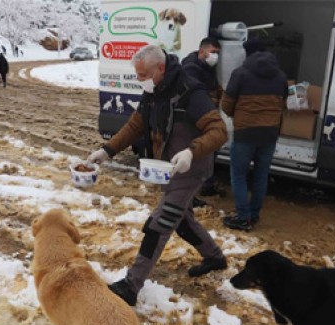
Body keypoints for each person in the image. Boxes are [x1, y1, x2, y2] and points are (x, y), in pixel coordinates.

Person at [86, 45, 228, 306]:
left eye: (143, 75)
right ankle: (215, 257)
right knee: (182, 220)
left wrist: (190, 152)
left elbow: (219, 130)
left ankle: (131, 285)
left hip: (190, 168)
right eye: (138, 75)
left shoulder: (190, 92)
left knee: (159, 224)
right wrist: (107, 150)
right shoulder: (154, 91)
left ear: (160, 68)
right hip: (168, 168)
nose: (141, 81)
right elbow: (135, 125)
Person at [220, 38, 287, 231]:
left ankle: (243, 218)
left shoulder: (240, 74)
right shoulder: (281, 76)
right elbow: (283, 103)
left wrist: (238, 116)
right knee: (260, 175)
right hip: (270, 133)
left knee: (239, 175)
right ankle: (254, 215)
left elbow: (226, 104)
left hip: (245, 133)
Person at [182, 36, 225, 202]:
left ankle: (206, 186)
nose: (216, 56)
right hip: (195, 119)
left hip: (206, 117)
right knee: (195, 157)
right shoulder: (191, 69)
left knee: (208, 153)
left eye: (218, 53)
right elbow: (197, 96)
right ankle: (189, 196)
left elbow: (213, 88)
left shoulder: (206, 67)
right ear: (202, 51)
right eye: (213, 52)